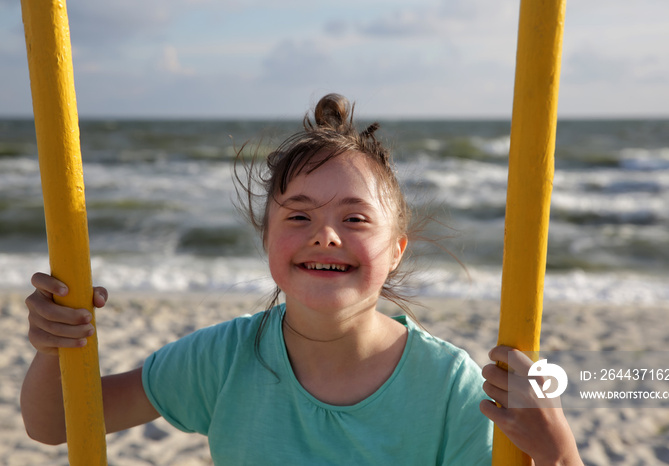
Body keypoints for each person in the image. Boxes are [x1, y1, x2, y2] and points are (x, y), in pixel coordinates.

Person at [21, 94, 581, 465]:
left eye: (355, 218)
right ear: (268, 242)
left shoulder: (450, 387)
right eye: (298, 215)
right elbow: (57, 423)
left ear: (396, 250)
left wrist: (559, 457)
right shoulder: (223, 359)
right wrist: (54, 346)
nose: (326, 235)